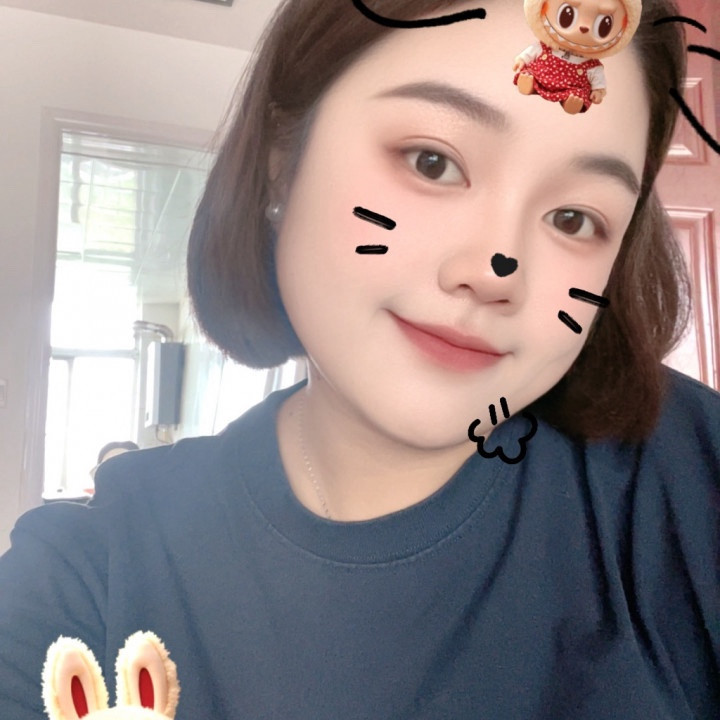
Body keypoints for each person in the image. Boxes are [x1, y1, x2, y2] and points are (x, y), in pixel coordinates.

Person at [1, 1, 718, 718]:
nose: (496, 270)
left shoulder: (689, 480)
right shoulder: (86, 586)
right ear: (281, 160)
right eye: (433, 162)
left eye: (574, 219)